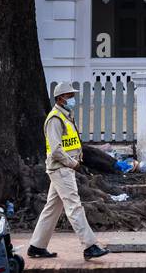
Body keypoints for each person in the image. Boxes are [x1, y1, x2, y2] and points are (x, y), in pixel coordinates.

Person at [28, 83, 110, 261]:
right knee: (74, 206)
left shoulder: (66, 117)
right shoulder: (55, 119)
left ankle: (37, 246)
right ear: (59, 98)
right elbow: (56, 150)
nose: (72, 99)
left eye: (72, 96)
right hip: (61, 169)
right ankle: (90, 246)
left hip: (63, 169)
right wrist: (73, 164)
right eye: (69, 96)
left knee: (52, 208)